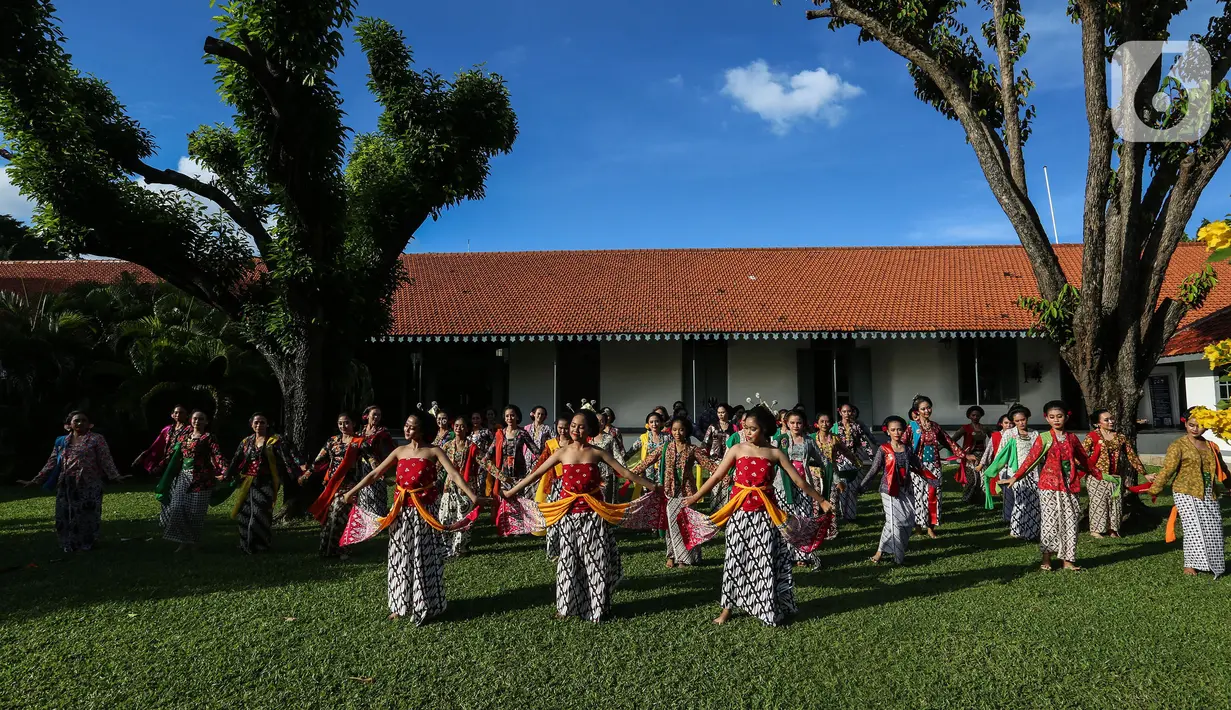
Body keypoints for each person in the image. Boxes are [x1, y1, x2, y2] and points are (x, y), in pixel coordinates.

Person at [502, 410, 660, 623]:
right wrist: (512, 493)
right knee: (568, 563)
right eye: (573, 425)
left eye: (581, 426)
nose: (575, 429)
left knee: (596, 561)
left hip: (593, 515)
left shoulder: (597, 452)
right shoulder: (561, 452)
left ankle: (598, 609)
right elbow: (536, 474)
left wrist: (653, 487)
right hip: (567, 515)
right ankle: (565, 608)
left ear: (590, 430)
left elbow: (625, 473)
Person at [683, 406, 834, 626]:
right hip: (739, 514)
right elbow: (716, 477)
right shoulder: (736, 449)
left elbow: (799, 481)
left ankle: (766, 606)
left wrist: (821, 500)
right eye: (746, 428)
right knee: (734, 559)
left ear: (764, 429)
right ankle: (727, 608)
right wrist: (695, 497)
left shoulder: (775, 453)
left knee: (763, 561)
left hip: (765, 516)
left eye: (753, 429)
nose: (748, 433)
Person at [341, 412, 485, 623]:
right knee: (400, 558)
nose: (407, 430)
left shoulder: (434, 451)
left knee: (422, 557)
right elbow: (375, 474)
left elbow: (454, 474)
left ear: (423, 430)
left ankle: (426, 605)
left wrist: (473, 496)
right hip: (400, 514)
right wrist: (351, 492)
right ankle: (400, 606)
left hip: (424, 515)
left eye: (412, 427)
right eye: (406, 426)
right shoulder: (399, 451)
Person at [20, 411, 128, 552]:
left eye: (83, 420)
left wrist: (115, 476)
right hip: (66, 483)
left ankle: (87, 543)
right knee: (64, 514)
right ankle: (68, 543)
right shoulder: (62, 441)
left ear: (89, 424)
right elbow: (52, 462)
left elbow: (105, 460)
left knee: (87, 514)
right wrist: (36, 480)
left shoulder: (96, 439)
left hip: (89, 483)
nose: (80, 423)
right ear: (69, 425)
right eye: (76, 421)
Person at [1003, 400, 1089, 572]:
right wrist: (1016, 477)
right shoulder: (1044, 438)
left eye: (1059, 416)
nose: (1056, 420)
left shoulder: (1072, 438)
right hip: (1048, 486)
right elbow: (1031, 460)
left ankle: (1068, 560)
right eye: (1052, 417)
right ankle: (1046, 558)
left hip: (1069, 486)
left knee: (1071, 522)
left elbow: (1085, 461)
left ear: (1066, 417)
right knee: (1050, 523)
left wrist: (1102, 476)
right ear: (1046, 418)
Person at [1146, 411, 1229, 577]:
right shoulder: (1178, 446)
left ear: (1206, 427)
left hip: (1208, 492)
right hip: (1185, 491)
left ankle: (1212, 564)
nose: (1195, 429)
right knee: (1194, 529)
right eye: (1191, 424)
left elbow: (1223, 469)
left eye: (1200, 425)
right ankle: (1190, 565)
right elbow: (1168, 469)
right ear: (1185, 424)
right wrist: (1155, 488)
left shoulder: (1211, 446)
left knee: (1214, 528)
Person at [629, 415, 717, 568]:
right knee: (671, 526)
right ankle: (672, 555)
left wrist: (726, 473)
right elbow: (647, 461)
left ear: (687, 431)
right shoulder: (665, 448)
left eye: (681, 430)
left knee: (688, 526)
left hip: (688, 493)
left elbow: (710, 465)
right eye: (675, 430)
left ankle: (686, 558)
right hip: (669, 492)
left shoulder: (693, 449)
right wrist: (630, 474)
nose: (677, 433)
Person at [216, 412, 299, 553]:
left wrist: (301, 471)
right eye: (256, 422)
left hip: (266, 482)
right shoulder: (246, 442)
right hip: (248, 481)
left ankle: (261, 545)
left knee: (260, 512)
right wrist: (227, 475)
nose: (259, 425)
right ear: (251, 425)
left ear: (267, 424)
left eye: (262, 422)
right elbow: (237, 460)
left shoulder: (276, 440)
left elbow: (291, 457)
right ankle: (245, 544)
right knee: (244, 513)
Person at [858, 416, 930, 565]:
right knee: (894, 523)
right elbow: (874, 470)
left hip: (906, 488)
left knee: (908, 521)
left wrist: (933, 479)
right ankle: (899, 558)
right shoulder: (883, 449)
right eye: (893, 430)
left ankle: (880, 551)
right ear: (887, 432)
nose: (896, 432)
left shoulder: (908, 448)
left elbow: (919, 466)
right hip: (889, 490)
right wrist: (862, 486)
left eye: (899, 429)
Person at [302, 412, 373, 559]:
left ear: (353, 424)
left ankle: (337, 550)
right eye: (340, 423)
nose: (343, 426)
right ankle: (327, 550)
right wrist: (306, 475)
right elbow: (319, 461)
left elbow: (372, 460)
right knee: (329, 517)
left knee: (338, 515)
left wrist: (383, 475)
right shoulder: (332, 441)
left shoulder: (360, 442)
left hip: (350, 486)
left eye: (346, 423)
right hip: (331, 485)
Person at [156, 410, 226, 552]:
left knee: (196, 513)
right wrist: (157, 466)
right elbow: (172, 455)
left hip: (202, 479)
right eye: (195, 419)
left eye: (201, 419)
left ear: (206, 422)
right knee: (177, 507)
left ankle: (193, 542)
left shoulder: (209, 437)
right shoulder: (184, 437)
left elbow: (217, 455)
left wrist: (225, 471)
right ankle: (184, 540)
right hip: (184, 477)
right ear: (191, 421)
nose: (197, 421)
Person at [907, 395, 969, 538]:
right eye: (923, 408)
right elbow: (903, 444)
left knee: (935, 495)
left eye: (929, 407)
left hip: (935, 465)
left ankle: (931, 526)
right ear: (917, 411)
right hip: (918, 467)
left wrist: (964, 455)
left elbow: (948, 442)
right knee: (918, 496)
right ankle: (918, 526)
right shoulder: (912, 427)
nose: (927, 410)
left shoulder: (935, 426)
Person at [1082, 410, 1146, 538]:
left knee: (1116, 504)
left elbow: (1132, 456)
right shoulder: (1092, 437)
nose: (1111, 422)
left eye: (1111, 419)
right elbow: (1081, 454)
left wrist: (1144, 473)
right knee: (1098, 503)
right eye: (1106, 420)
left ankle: (1113, 529)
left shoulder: (1120, 437)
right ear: (1097, 423)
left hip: (1116, 477)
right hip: (1097, 477)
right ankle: (1096, 530)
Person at [983, 405, 1041, 539]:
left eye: (1023, 419)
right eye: (1017, 421)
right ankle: (1016, 530)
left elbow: (1039, 454)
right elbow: (1001, 454)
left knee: (1034, 501)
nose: (1021, 423)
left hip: (1034, 472)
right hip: (1015, 473)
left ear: (1027, 419)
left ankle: (1032, 530)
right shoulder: (1010, 434)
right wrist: (1001, 472)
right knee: (1020, 500)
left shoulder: (1035, 434)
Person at [480, 405, 543, 499]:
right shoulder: (500, 434)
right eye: (507, 416)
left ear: (517, 417)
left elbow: (536, 452)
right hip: (504, 477)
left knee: (519, 503)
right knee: (504, 503)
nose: (510, 418)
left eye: (512, 415)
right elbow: (488, 455)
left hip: (520, 476)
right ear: (504, 418)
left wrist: (544, 463)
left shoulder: (522, 433)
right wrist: (494, 471)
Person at [440, 416, 480, 557]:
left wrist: (503, 477)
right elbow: (437, 466)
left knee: (463, 518)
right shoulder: (447, 446)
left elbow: (487, 464)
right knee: (444, 517)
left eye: (462, 426)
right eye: (456, 425)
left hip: (466, 488)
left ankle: (460, 549)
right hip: (449, 487)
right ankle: (446, 547)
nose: (459, 428)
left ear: (467, 429)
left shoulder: (472, 447)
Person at [535, 414, 573, 559]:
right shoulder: (550, 444)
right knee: (553, 516)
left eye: (565, 428)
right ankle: (553, 551)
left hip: (569, 485)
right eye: (560, 428)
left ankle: (567, 549)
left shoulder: (574, 444)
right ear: (556, 428)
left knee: (567, 517)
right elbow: (541, 463)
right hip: (554, 484)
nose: (562, 431)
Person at [830, 404, 876, 519]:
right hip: (840, 460)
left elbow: (864, 441)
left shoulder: (856, 426)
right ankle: (841, 513)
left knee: (853, 488)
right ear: (840, 413)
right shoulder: (835, 427)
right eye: (844, 412)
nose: (847, 414)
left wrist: (872, 457)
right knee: (842, 487)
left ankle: (850, 515)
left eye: (849, 411)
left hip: (855, 459)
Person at [812, 412, 858, 522]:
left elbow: (846, 451)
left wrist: (856, 463)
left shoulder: (834, 438)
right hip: (815, 474)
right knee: (816, 500)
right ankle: (816, 526)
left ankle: (830, 527)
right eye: (821, 422)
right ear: (817, 424)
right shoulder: (811, 438)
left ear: (832, 424)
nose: (824, 424)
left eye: (827, 421)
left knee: (832, 499)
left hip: (832, 473)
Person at [132, 404, 192, 476]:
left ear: (187, 415)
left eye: (181, 412)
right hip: (166, 460)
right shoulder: (167, 429)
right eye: (176, 412)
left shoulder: (189, 429)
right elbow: (157, 445)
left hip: (181, 460)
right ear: (172, 415)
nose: (178, 414)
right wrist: (144, 455)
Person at [975, 413, 1015, 510]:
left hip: (1014, 465)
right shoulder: (996, 436)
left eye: (1011, 423)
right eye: (1006, 423)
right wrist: (981, 464)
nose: (1008, 425)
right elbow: (988, 451)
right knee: (1004, 489)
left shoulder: (1016, 435)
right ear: (1001, 424)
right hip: (1001, 466)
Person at [952, 406, 989, 505]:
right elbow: (952, 440)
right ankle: (966, 499)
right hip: (969, 456)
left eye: (978, 415)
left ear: (981, 416)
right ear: (969, 416)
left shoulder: (984, 428)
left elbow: (994, 438)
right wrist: (961, 452)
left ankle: (981, 499)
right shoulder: (965, 428)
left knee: (982, 479)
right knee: (971, 478)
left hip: (983, 456)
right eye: (973, 415)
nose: (975, 417)